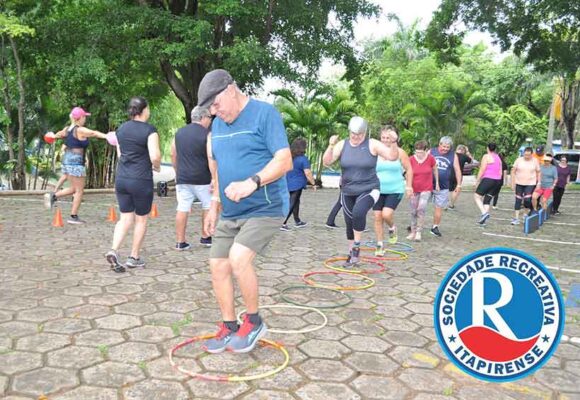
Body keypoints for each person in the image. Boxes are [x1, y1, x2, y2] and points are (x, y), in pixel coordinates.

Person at [200, 69, 292, 353]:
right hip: (230, 211)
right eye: (209, 109)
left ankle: (253, 321)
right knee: (218, 264)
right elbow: (218, 171)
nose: (214, 112)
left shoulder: (265, 114)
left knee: (238, 258)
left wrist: (252, 182)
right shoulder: (217, 127)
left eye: (216, 105)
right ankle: (229, 326)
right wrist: (213, 205)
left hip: (267, 206)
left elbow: (284, 161)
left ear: (230, 89)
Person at [323, 116, 399, 266]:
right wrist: (331, 145)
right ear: (349, 132)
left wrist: (394, 142)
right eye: (353, 134)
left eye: (359, 134)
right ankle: (352, 254)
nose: (356, 137)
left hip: (369, 188)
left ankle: (357, 247)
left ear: (365, 133)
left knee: (359, 212)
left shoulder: (372, 144)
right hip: (347, 190)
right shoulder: (342, 145)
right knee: (349, 221)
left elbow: (392, 156)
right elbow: (327, 162)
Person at [105, 97, 161, 273]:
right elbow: (155, 156)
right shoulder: (150, 130)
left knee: (125, 217)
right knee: (141, 219)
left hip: (122, 178)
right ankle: (134, 257)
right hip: (141, 179)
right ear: (143, 110)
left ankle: (113, 249)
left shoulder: (121, 129)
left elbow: (121, 155)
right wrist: (157, 166)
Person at [43, 107, 110, 224]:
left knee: (74, 188)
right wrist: (107, 136)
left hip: (67, 161)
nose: (85, 119)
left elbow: (58, 135)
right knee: (79, 191)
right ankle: (73, 216)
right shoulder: (80, 130)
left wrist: (53, 136)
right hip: (76, 162)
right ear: (80, 118)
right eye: (84, 117)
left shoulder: (67, 129)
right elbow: (93, 133)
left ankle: (53, 196)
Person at [171, 106, 214, 250]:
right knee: (208, 205)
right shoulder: (208, 134)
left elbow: (173, 154)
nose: (210, 121)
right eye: (209, 118)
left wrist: (177, 171)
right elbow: (210, 156)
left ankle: (180, 241)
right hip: (203, 178)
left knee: (182, 207)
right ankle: (206, 237)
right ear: (203, 118)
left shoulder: (179, 133)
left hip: (183, 178)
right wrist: (214, 177)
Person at [373, 126, 413, 255]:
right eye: (383, 137)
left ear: (394, 138)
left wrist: (409, 186)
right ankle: (380, 245)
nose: (385, 140)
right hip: (377, 189)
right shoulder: (376, 152)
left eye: (388, 138)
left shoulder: (400, 152)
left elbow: (409, 169)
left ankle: (392, 227)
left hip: (395, 189)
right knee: (377, 217)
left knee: (386, 214)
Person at [429, 136, 462, 237]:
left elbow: (457, 170)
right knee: (419, 205)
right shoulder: (431, 151)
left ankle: (435, 227)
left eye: (448, 147)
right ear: (439, 144)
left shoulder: (453, 155)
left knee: (439, 207)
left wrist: (459, 184)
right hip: (428, 183)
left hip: (443, 186)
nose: (445, 149)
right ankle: (415, 226)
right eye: (444, 146)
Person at [280, 137, 316, 231]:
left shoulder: (289, 157)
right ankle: (283, 223)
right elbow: (307, 173)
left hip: (287, 182)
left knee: (296, 202)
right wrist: (313, 183)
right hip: (297, 184)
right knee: (292, 203)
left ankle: (297, 221)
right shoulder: (303, 159)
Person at [407, 140, 438, 241]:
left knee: (421, 208)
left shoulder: (430, 159)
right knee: (413, 210)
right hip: (414, 188)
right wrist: (408, 186)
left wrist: (437, 183)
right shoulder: (411, 159)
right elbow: (407, 173)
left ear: (426, 150)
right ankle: (413, 231)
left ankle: (419, 232)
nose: (418, 154)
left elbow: (435, 170)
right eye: (417, 152)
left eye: (421, 152)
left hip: (426, 188)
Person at [473, 143, 503, 225]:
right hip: (497, 181)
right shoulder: (498, 157)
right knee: (487, 200)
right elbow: (500, 171)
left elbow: (482, 169)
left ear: (487, 148)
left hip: (488, 179)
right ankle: (483, 221)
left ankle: (484, 213)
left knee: (477, 196)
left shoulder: (486, 156)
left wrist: (477, 181)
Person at [510, 147, 540, 225]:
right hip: (519, 183)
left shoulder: (535, 161)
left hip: (530, 183)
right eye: (525, 154)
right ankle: (516, 218)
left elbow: (538, 172)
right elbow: (513, 171)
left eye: (528, 155)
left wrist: (539, 183)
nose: (526, 156)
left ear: (531, 154)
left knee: (527, 200)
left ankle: (525, 213)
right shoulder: (518, 160)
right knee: (518, 200)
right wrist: (512, 183)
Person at [448, 144, 473, 210]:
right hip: (458, 175)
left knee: (446, 189)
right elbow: (472, 161)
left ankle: (444, 203)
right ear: (463, 150)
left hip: (448, 173)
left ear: (457, 149)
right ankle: (451, 205)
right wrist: (468, 152)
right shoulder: (464, 156)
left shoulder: (451, 154)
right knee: (456, 190)